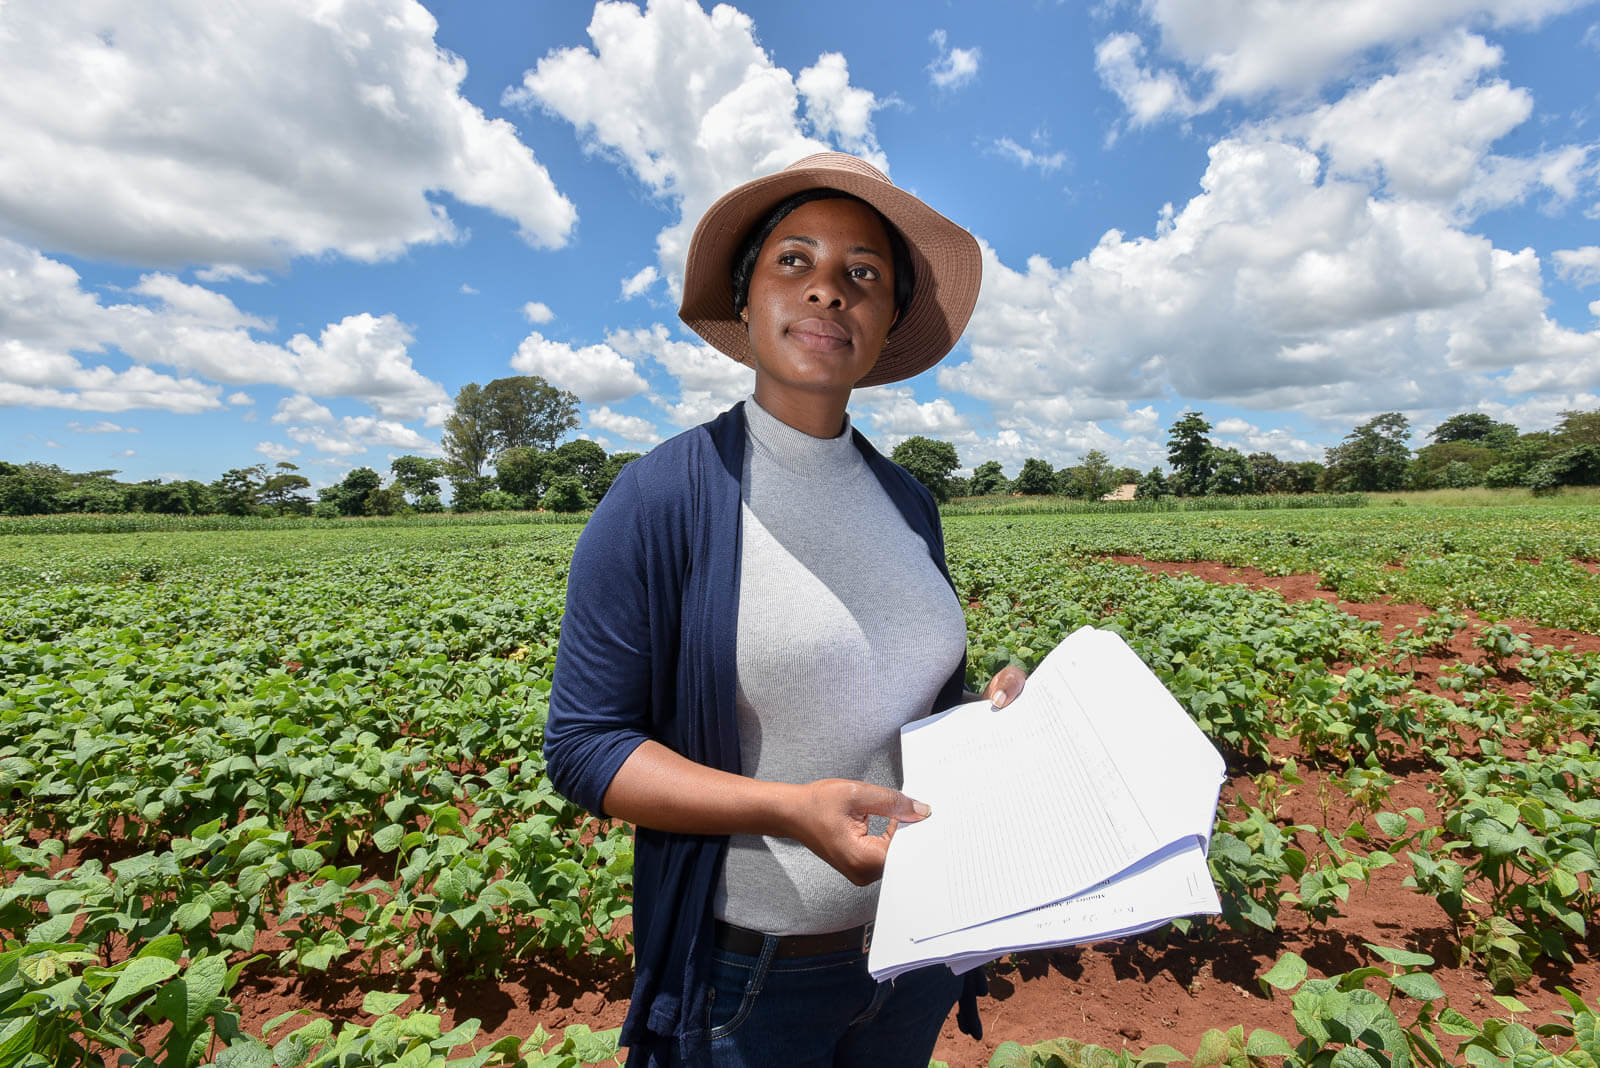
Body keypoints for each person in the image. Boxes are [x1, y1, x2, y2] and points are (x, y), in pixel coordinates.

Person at [544, 152, 1028, 1067]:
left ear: (886, 323)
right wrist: (788, 809)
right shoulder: (661, 499)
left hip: (914, 954)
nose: (828, 293)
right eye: (794, 262)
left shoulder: (908, 502)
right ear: (748, 299)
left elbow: (895, 709)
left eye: (863, 276)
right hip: (751, 979)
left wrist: (990, 722)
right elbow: (584, 745)